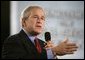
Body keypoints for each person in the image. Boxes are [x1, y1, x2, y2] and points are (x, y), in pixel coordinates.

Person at [1, 5, 78, 59]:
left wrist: (53, 55)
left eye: (42, 18)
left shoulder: (43, 44)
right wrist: (53, 51)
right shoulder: (13, 41)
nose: (39, 21)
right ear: (24, 22)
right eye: (35, 17)